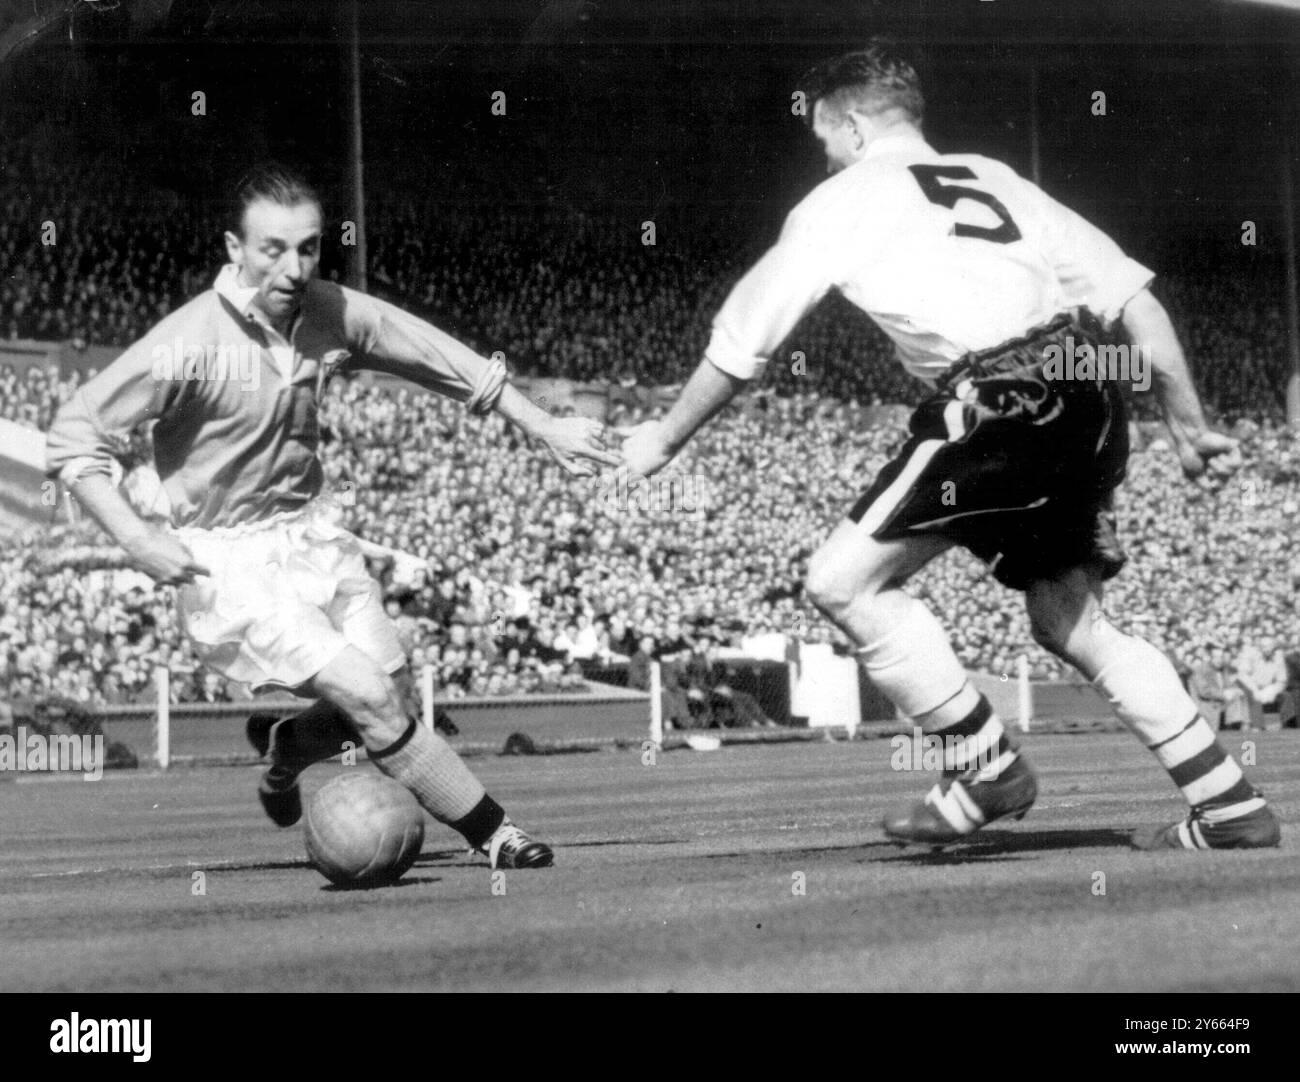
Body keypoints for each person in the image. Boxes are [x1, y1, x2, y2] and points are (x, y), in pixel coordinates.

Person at [621, 42, 1279, 851]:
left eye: (824, 139)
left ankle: (984, 769)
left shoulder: (842, 200)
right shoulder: (997, 177)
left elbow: (744, 341)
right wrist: (1185, 422)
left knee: (842, 582)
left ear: (854, 126)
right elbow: (1134, 299)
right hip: (1089, 388)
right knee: (1071, 621)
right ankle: (1231, 806)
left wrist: (663, 437)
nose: (823, 156)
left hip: (1003, 391)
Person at [45, 163, 617, 869]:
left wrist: (546, 426)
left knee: (393, 694)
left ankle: (287, 746)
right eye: (272, 248)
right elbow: (74, 435)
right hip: (224, 558)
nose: (293, 266)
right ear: (234, 248)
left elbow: (445, 359)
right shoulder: (189, 339)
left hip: (312, 534)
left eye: (308, 247)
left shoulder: (332, 310)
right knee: (370, 695)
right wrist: (137, 537)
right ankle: (498, 836)